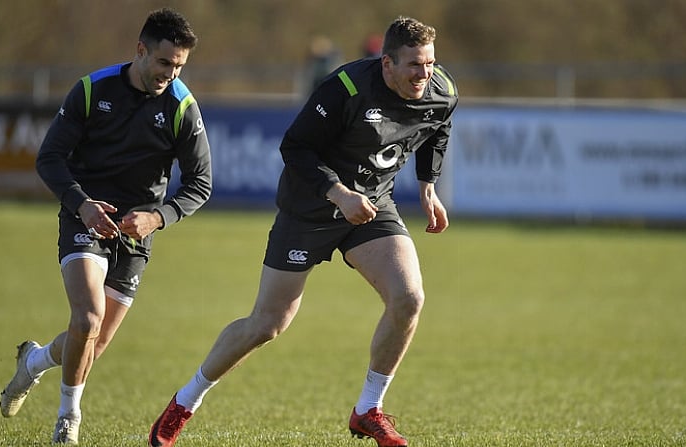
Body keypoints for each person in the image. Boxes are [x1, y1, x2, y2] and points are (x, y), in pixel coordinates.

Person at [148, 15, 457, 447]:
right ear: (386, 63)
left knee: (409, 298)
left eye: (429, 63)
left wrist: (428, 186)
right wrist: (338, 194)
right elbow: (295, 147)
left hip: (370, 206)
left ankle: (369, 409)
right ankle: (184, 402)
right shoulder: (345, 88)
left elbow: (437, 127)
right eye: (414, 66)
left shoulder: (441, 89)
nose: (425, 75)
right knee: (267, 324)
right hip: (309, 209)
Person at [0, 8, 211, 445]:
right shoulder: (93, 90)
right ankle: (68, 418)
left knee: (90, 343)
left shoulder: (181, 107)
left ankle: (34, 363)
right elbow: (49, 158)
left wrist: (157, 217)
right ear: (140, 51)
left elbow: (200, 184)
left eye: (179, 67)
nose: (170, 74)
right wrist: (81, 205)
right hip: (85, 220)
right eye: (164, 63)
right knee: (88, 316)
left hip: (137, 234)